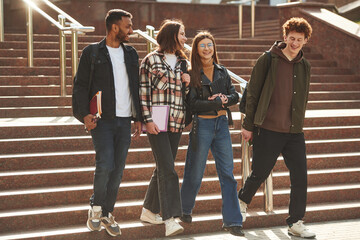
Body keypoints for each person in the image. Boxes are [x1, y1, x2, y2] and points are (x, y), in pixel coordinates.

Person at [238, 17, 316, 239]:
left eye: (299, 40)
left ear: (305, 41)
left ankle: (296, 222)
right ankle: (241, 202)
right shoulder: (268, 59)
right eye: (291, 38)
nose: (294, 43)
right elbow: (252, 92)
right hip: (269, 128)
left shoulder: (305, 66)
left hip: (294, 132)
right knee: (260, 172)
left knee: (300, 176)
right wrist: (248, 125)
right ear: (285, 37)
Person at [72, 9, 142, 237]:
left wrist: (138, 117)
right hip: (102, 120)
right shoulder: (92, 52)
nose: (131, 30)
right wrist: (83, 115)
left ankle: (106, 212)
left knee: (118, 169)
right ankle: (96, 207)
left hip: (124, 120)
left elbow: (137, 88)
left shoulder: (131, 54)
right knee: (105, 164)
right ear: (115, 27)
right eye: (128, 26)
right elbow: (81, 86)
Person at [180, 31, 244, 237]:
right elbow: (192, 104)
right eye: (203, 46)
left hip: (222, 126)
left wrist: (225, 98)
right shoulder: (191, 73)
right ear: (196, 50)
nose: (207, 49)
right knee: (195, 171)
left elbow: (235, 95)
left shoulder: (222, 71)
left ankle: (233, 221)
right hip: (202, 126)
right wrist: (214, 102)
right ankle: (184, 209)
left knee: (228, 174)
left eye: (210, 45)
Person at [138, 19, 190, 237]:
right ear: (171, 35)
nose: (185, 38)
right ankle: (170, 218)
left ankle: (149, 211)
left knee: (163, 166)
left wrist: (187, 83)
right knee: (168, 169)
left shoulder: (182, 62)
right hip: (157, 117)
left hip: (177, 118)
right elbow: (143, 92)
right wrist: (147, 119)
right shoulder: (151, 60)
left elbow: (184, 97)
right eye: (182, 33)